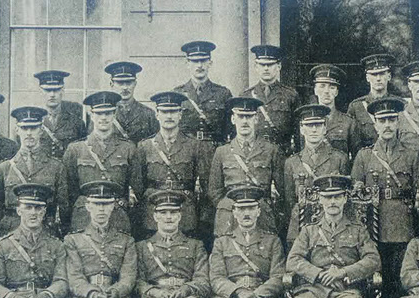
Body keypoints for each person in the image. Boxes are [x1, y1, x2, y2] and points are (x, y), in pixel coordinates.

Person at [351, 97, 419, 298]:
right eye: (382, 121)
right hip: (374, 226)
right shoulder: (364, 157)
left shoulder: (410, 156)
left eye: (391, 120)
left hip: (402, 226)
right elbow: (356, 196)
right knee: (375, 281)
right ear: (375, 124)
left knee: (400, 280)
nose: (387, 125)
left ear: (398, 122)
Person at [137, 91, 213, 239]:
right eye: (164, 112)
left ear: (180, 115)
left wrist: (202, 217)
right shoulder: (144, 146)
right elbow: (138, 185)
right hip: (154, 209)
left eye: (173, 111)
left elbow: (206, 185)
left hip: (185, 210)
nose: (169, 116)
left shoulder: (194, 145)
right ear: (157, 115)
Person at [63, 91, 141, 234]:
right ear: (92, 116)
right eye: (99, 113)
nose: (103, 118)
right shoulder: (76, 149)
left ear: (114, 115)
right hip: (84, 216)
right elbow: (69, 191)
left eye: (108, 113)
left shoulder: (128, 148)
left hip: (117, 215)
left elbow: (137, 188)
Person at [208, 97, 285, 236]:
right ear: (233, 119)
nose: (244, 121)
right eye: (240, 116)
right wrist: (228, 208)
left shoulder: (271, 150)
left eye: (249, 117)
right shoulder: (222, 152)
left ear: (256, 119)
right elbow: (214, 191)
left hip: (261, 214)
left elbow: (283, 190)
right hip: (231, 215)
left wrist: (268, 208)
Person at [0, 106, 69, 238]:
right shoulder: (4, 168)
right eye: (24, 128)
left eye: (33, 128)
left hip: (45, 233)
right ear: (17, 130)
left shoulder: (56, 167)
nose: (29, 133)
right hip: (11, 234)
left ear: (41, 131)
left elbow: (64, 207)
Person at [283, 104, 350, 245]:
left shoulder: (339, 159)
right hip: (300, 223)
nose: (314, 130)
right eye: (309, 125)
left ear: (324, 128)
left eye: (318, 125)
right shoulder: (292, 162)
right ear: (302, 129)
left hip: (330, 222)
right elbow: (289, 200)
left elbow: (345, 195)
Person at [241, 45, 300, 153]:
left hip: (281, 154)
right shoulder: (246, 95)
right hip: (255, 154)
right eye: (262, 65)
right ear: (256, 67)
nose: (266, 68)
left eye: (270, 64)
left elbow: (298, 133)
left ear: (279, 66)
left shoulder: (290, 95)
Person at [175, 40, 234, 143]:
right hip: (186, 152)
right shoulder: (177, 94)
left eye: (203, 61)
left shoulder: (223, 94)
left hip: (214, 151)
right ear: (187, 63)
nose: (199, 65)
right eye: (194, 61)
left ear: (210, 63)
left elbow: (231, 129)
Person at [88, 61, 159, 143]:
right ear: (111, 84)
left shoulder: (148, 114)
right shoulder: (101, 114)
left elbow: (154, 145)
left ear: (135, 84)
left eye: (129, 83)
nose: (125, 87)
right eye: (120, 83)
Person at [348, 54, 400, 152]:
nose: (378, 78)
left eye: (382, 74)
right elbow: (353, 143)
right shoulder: (356, 107)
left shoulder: (400, 104)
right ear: (367, 78)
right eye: (374, 74)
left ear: (389, 76)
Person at [33, 70, 88, 158]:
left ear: (63, 90)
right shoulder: (33, 123)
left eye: (56, 90)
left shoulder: (76, 123)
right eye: (47, 90)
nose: (52, 95)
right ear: (40, 91)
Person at [309, 64, 356, 155]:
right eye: (322, 86)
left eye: (332, 87)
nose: (326, 91)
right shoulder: (307, 121)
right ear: (315, 90)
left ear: (336, 92)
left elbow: (356, 156)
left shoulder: (348, 123)